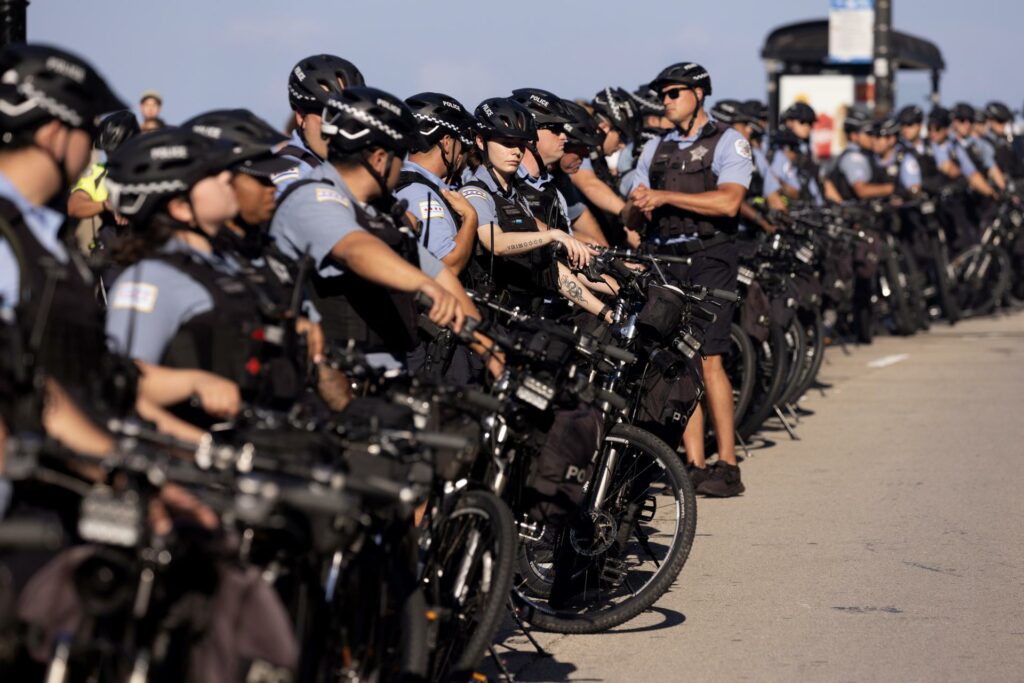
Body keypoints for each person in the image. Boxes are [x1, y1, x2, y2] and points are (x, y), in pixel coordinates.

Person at [269, 86, 503, 376]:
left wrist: (490, 352)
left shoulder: (378, 212)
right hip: (329, 379)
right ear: (380, 159)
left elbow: (439, 274)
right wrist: (424, 285)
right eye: (400, 155)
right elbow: (355, 249)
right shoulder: (313, 199)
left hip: (388, 374)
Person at [627, 62, 752, 497]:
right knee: (680, 362)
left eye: (673, 93)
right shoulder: (654, 148)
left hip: (710, 256)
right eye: (661, 95)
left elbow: (729, 203)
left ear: (699, 94)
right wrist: (636, 205)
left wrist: (663, 196)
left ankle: (728, 465)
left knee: (710, 359)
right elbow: (632, 213)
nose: (666, 101)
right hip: (665, 258)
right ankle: (693, 466)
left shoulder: (728, 141)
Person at [459, 97, 608, 319]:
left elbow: (552, 271)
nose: (516, 152)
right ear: (481, 142)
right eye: (507, 143)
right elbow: (496, 243)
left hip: (531, 318)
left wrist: (606, 312)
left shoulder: (517, 197)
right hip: (496, 321)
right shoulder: (475, 193)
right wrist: (552, 235)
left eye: (521, 144)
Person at [394, 92, 480, 274]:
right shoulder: (420, 193)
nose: (461, 155)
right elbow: (448, 265)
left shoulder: (414, 186)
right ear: (446, 143)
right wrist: (470, 218)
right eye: (460, 145)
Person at [274, 54, 365, 192]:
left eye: (351, 115)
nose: (341, 127)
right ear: (301, 117)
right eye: (330, 116)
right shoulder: (291, 177)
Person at [66, 109, 138, 257]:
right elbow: (73, 206)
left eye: (116, 151)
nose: (111, 157)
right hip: (112, 250)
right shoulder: (99, 172)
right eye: (107, 152)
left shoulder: (149, 166)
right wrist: (106, 205)